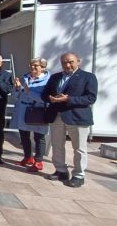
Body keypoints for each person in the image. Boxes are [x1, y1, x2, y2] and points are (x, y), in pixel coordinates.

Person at [41, 52, 97, 188]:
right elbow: (44, 94)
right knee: (57, 145)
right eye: (64, 62)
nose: (67, 65)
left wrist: (68, 99)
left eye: (70, 62)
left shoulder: (88, 77)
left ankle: (78, 175)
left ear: (78, 61)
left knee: (79, 148)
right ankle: (61, 171)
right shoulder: (55, 77)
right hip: (57, 116)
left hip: (77, 117)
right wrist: (51, 98)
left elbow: (91, 98)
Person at [10, 57, 50, 172]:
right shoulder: (24, 78)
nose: (32, 68)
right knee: (24, 136)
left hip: (37, 111)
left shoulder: (48, 81)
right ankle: (28, 157)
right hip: (22, 110)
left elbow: (45, 99)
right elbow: (15, 96)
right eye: (31, 65)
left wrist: (29, 92)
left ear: (43, 68)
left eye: (36, 66)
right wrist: (17, 88)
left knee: (39, 137)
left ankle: (38, 161)